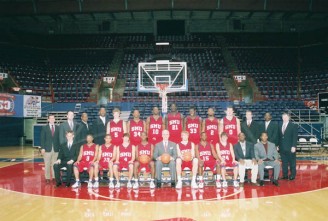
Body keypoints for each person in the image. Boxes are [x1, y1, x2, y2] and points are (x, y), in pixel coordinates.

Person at [40, 114, 60, 184]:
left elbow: (59, 139)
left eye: (53, 118)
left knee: (55, 164)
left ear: (54, 119)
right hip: (47, 149)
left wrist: (60, 148)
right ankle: (47, 178)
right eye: (50, 118)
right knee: (47, 164)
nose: (52, 119)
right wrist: (42, 148)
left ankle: (54, 177)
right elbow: (42, 139)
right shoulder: (44, 128)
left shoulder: (58, 128)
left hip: (56, 149)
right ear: (48, 120)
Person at [278, 113, 298, 181]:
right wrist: (278, 145)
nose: (284, 118)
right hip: (282, 147)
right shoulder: (280, 125)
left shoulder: (293, 125)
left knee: (292, 162)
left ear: (289, 117)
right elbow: (280, 137)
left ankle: (292, 175)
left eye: (286, 117)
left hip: (290, 147)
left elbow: (295, 137)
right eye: (283, 117)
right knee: (284, 162)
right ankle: (285, 175)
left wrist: (294, 146)